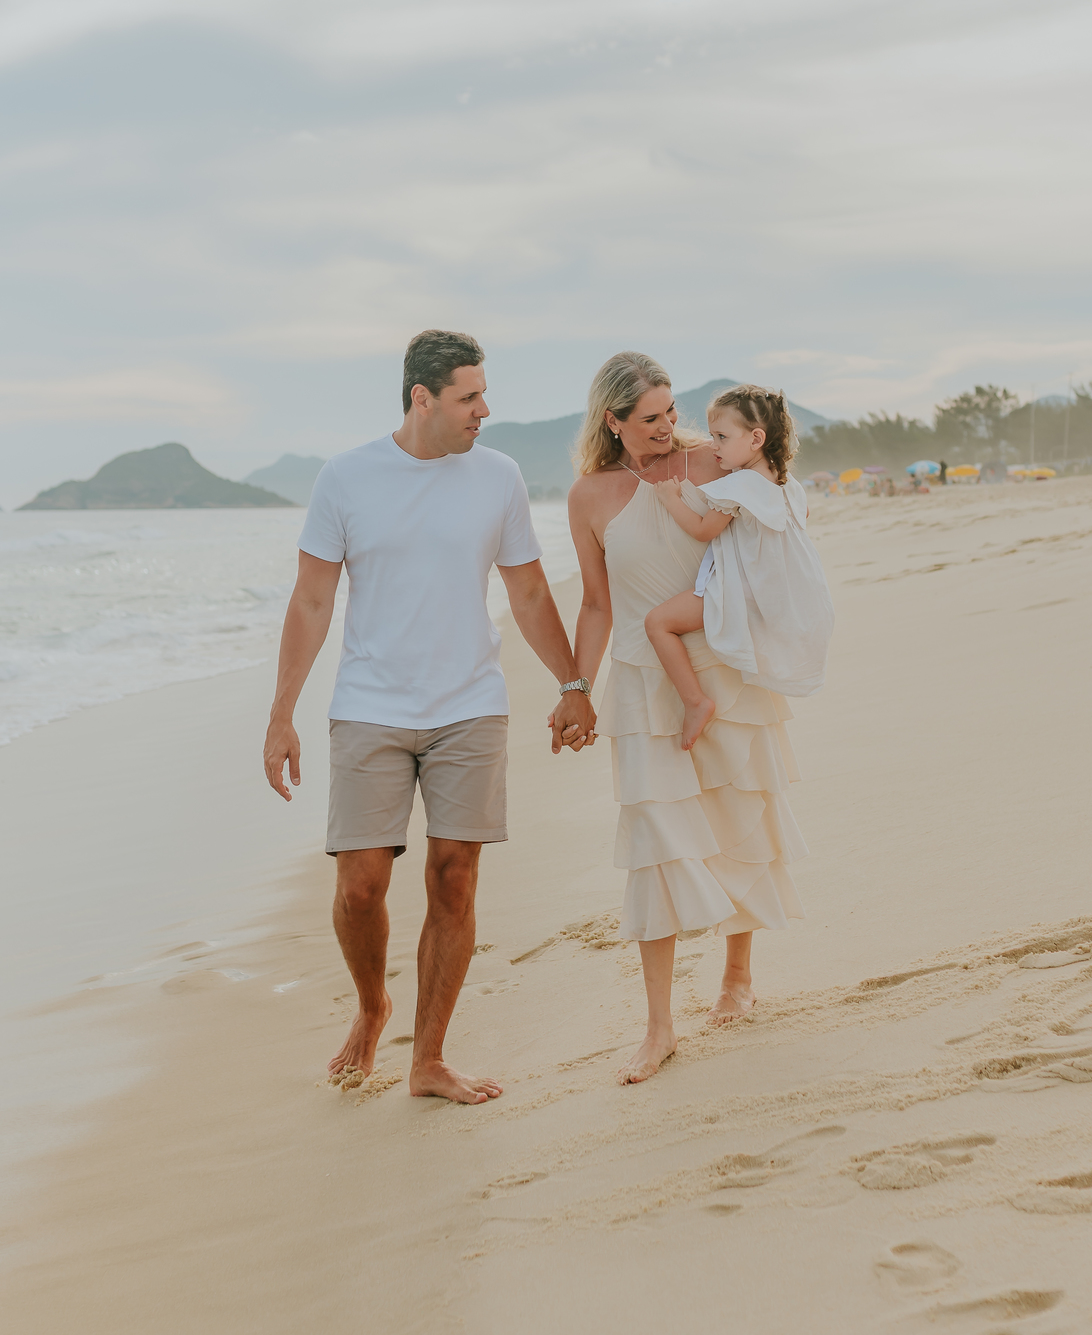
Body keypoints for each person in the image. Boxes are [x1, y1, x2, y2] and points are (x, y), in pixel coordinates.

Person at [262, 329, 595, 1105]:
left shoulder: (499, 477)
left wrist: (573, 681)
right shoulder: (346, 477)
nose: (485, 410)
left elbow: (531, 592)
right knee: (361, 887)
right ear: (422, 399)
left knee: (454, 880)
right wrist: (281, 716)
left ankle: (430, 1059)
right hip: (370, 707)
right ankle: (375, 1006)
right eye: (469, 397)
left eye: (483, 393)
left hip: (469, 707)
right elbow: (312, 600)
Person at [563, 353, 805, 1087]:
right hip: (642, 679)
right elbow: (599, 603)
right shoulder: (589, 497)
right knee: (656, 841)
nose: (668, 428)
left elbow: (775, 526)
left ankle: (737, 976)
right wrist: (576, 686)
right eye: (649, 418)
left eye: (672, 412)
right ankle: (660, 1025)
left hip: (722, 662)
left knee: (739, 818)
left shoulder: (714, 462)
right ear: (613, 421)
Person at [643, 386, 834, 751]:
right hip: (793, 591)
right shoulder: (785, 482)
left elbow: (702, 531)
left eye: (721, 437)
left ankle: (696, 701)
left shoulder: (738, 485)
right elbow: (801, 518)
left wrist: (670, 499)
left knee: (658, 623)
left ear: (756, 438)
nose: (713, 445)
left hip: (746, 592)